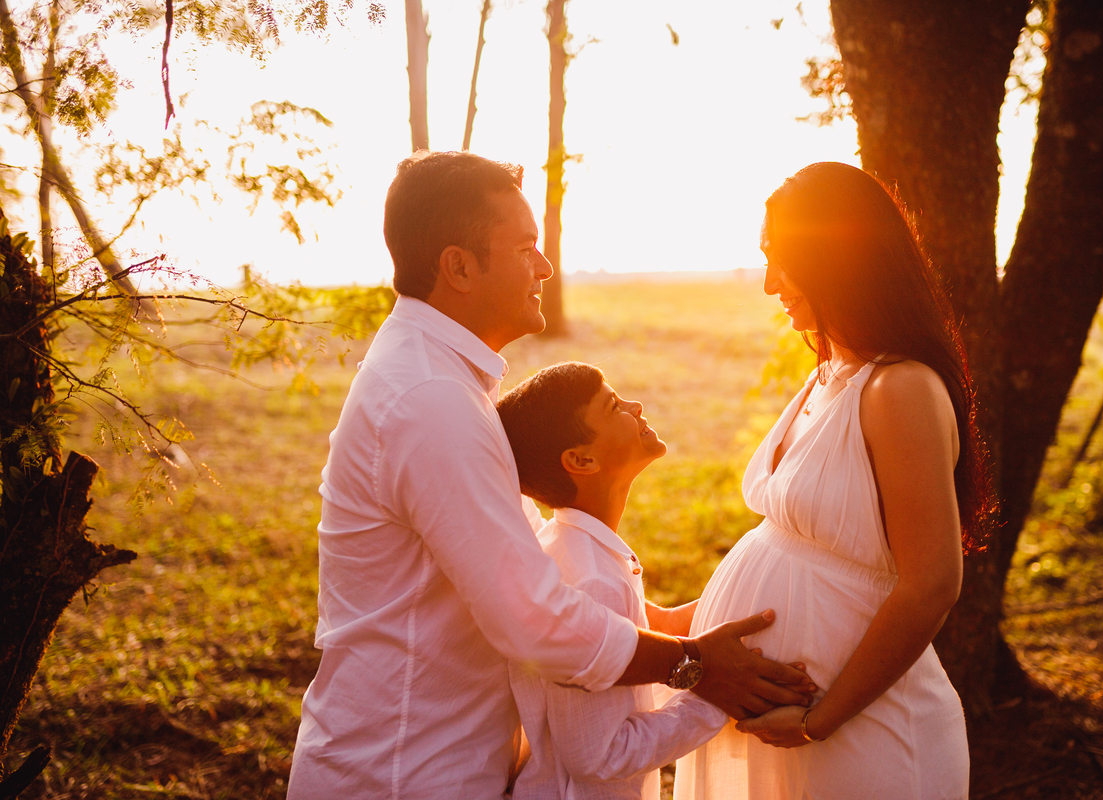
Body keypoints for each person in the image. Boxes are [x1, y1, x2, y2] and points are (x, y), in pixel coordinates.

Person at [286, 151, 811, 800]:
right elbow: (530, 618)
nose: (545, 266)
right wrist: (696, 668)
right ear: (458, 266)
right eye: (527, 247)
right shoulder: (429, 399)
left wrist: (695, 621)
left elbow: (535, 573)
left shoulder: (443, 383)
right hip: (399, 773)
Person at [674, 162, 994, 800]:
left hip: (863, 735)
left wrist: (821, 719)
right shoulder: (828, 375)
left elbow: (931, 582)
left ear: (833, 260)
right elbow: (800, 556)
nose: (769, 285)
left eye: (779, 260)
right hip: (790, 731)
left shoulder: (899, 389)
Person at [497, 362, 731, 800]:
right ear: (582, 460)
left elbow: (641, 650)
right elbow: (599, 756)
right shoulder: (591, 580)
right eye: (614, 406)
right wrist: (712, 700)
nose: (636, 406)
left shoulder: (573, 549)